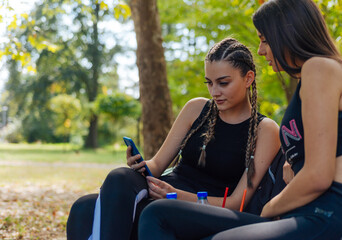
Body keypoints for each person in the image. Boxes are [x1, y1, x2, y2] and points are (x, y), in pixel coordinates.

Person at [138, 0, 342, 239]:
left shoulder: (319, 68)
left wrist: (269, 208)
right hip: (314, 208)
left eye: (264, 39)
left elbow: (318, 176)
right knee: (158, 213)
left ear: (286, 32)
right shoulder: (318, 75)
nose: (261, 49)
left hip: (333, 210)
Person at [66, 38, 281, 240]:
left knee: (91, 209)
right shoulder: (197, 109)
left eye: (223, 83)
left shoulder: (265, 130)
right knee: (112, 183)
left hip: (196, 209)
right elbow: (158, 165)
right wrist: (141, 165)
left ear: (248, 78)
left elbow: (237, 203)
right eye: (209, 83)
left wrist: (176, 196)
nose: (215, 92)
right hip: (165, 192)